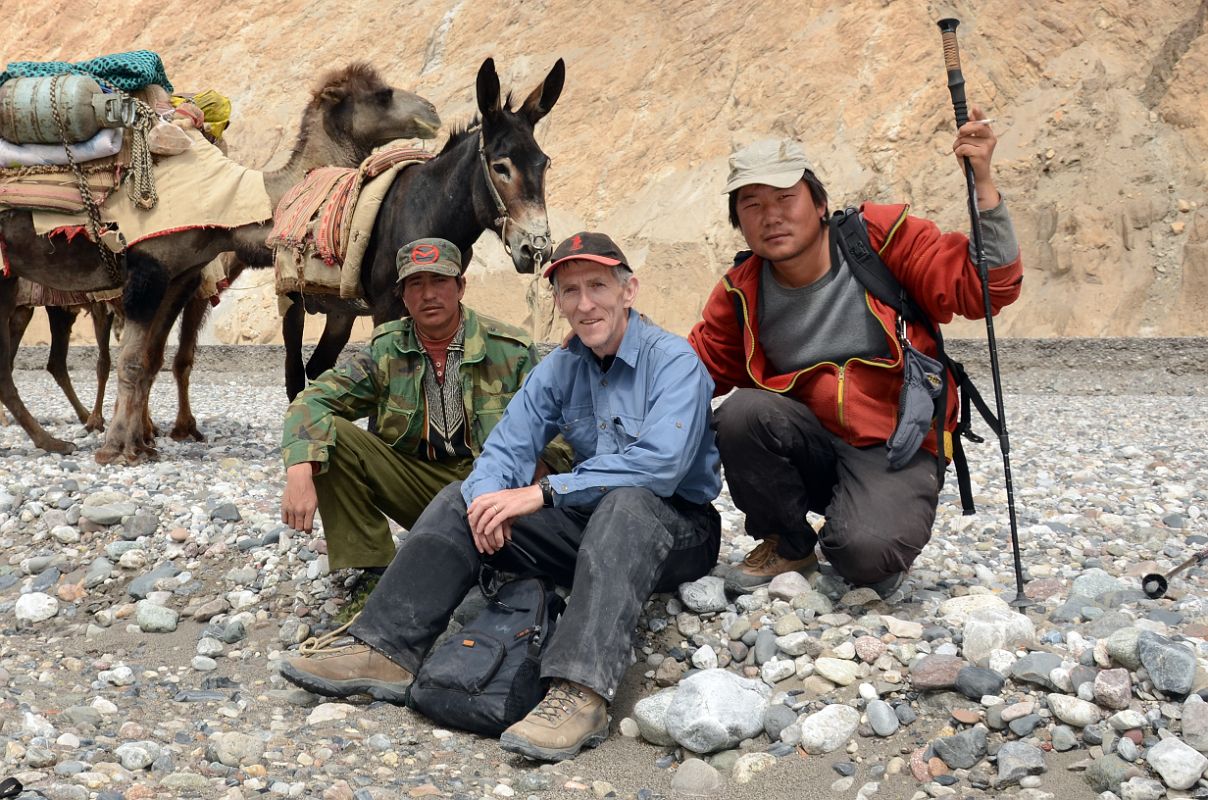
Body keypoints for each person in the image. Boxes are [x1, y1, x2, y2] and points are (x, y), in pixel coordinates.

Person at [278, 231, 722, 762]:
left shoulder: (673, 361)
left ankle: (580, 692)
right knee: (459, 499)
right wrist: (488, 501)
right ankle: (384, 649)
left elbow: (661, 466)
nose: (585, 303)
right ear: (557, 301)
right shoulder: (561, 368)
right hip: (589, 518)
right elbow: (507, 447)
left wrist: (543, 491)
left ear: (629, 291)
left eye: (598, 286)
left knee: (626, 504)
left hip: (676, 526)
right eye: (569, 290)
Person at [689, 107, 1022, 598]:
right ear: (739, 222)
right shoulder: (741, 292)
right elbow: (692, 371)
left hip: (896, 443)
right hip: (809, 446)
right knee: (742, 413)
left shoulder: (882, 240)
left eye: (785, 197)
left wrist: (984, 188)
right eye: (751, 205)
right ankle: (790, 541)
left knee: (865, 558)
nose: (771, 216)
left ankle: (857, 526)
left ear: (820, 203)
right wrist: (612, 346)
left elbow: (986, 289)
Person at [279, 237, 567, 575]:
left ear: (461, 286)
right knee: (334, 436)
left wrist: (535, 474)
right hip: (420, 487)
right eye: (416, 284)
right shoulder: (386, 350)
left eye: (440, 281)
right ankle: (373, 567)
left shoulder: (510, 349)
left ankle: (503, 557)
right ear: (402, 296)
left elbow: (561, 427)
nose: (428, 294)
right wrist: (299, 466)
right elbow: (313, 400)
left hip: (497, 489)